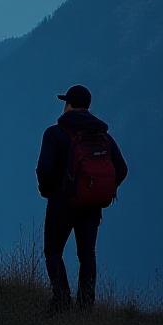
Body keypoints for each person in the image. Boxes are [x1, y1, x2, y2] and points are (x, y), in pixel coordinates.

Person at [36, 84, 128, 311]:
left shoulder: (54, 133)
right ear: (87, 106)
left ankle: (62, 300)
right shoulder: (102, 135)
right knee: (86, 254)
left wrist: (49, 191)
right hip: (91, 205)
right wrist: (101, 188)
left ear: (68, 105)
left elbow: (44, 169)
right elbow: (122, 168)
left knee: (53, 251)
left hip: (62, 203)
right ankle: (86, 306)